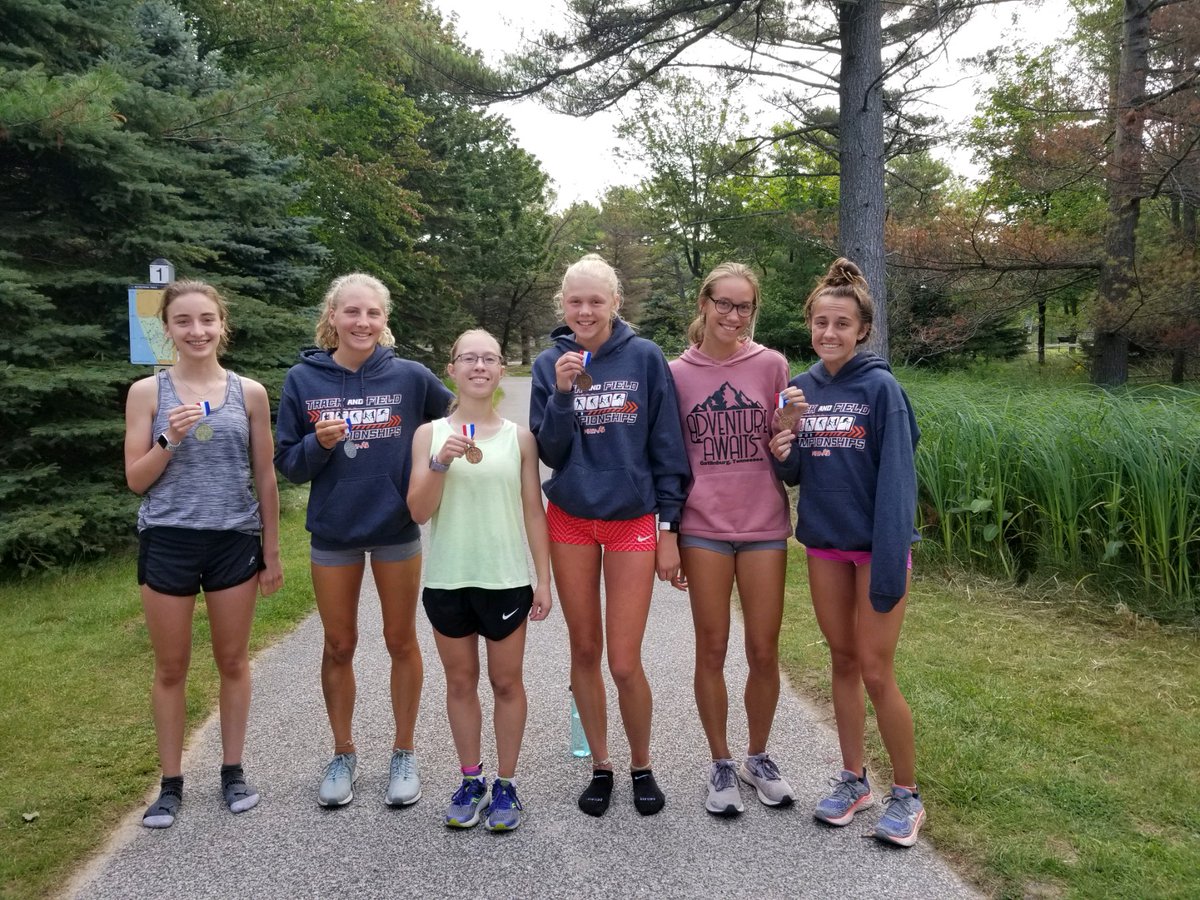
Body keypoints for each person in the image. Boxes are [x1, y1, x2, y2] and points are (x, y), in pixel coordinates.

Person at [274, 273, 453, 808]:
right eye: (351, 313)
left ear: (385, 320)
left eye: (372, 314)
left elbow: (455, 419)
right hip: (334, 531)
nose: (362, 323)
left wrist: (439, 467)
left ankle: (404, 752)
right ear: (332, 317)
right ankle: (343, 751)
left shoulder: (411, 377)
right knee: (339, 643)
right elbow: (289, 464)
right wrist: (317, 444)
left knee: (401, 641)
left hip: (396, 527)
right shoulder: (303, 381)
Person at [768, 257, 924, 847]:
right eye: (820, 323)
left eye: (842, 324)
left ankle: (906, 796)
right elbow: (800, 470)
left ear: (863, 331)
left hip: (877, 552)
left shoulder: (882, 389)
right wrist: (784, 443)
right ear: (809, 325)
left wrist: (889, 566)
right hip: (826, 547)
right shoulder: (802, 389)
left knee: (878, 671)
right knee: (842, 661)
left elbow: (897, 484)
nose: (829, 333)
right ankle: (854, 780)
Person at [529, 253, 690, 817]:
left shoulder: (645, 359)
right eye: (575, 301)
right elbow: (549, 450)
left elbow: (668, 447)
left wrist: (669, 526)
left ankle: (641, 763)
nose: (585, 310)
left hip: (631, 520)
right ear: (563, 305)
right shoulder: (551, 362)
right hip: (571, 518)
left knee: (624, 660)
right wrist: (563, 393)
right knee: (585, 648)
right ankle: (601, 765)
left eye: (596, 300)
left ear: (616, 303)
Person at [124, 279, 283, 829]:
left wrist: (272, 548)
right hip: (168, 538)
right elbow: (136, 481)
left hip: (232, 539)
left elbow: (264, 476)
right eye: (184, 322)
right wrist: (167, 439)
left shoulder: (250, 392)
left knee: (233, 661)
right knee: (171, 667)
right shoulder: (148, 394)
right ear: (166, 329)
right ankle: (170, 786)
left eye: (207, 320)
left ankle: (233, 771)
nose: (197, 331)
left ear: (222, 325)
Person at [407, 329, 552, 832]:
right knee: (461, 682)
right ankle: (471, 780)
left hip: (505, 577)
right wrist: (439, 462)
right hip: (449, 578)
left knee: (506, 682)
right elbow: (419, 512)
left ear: (500, 370)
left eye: (489, 358)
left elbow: (535, 512)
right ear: (452, 368)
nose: (479, 366)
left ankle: (507, 786)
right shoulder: (428, 434)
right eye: (468, 358)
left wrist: (544, 580)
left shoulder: (520, 438)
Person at [667, 263, 796, 817]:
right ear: (705, 303)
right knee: (712, 647)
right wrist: (666, 534)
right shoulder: (676, 374)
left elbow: (780, 438)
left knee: (764, 650)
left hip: (764, 523)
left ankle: (757, 755)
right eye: (724, 303)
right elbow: (669, 461)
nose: (733, 316)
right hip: (704, 527)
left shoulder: (771, 365)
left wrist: (790, 432)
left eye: (744, 307)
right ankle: (720, 761)